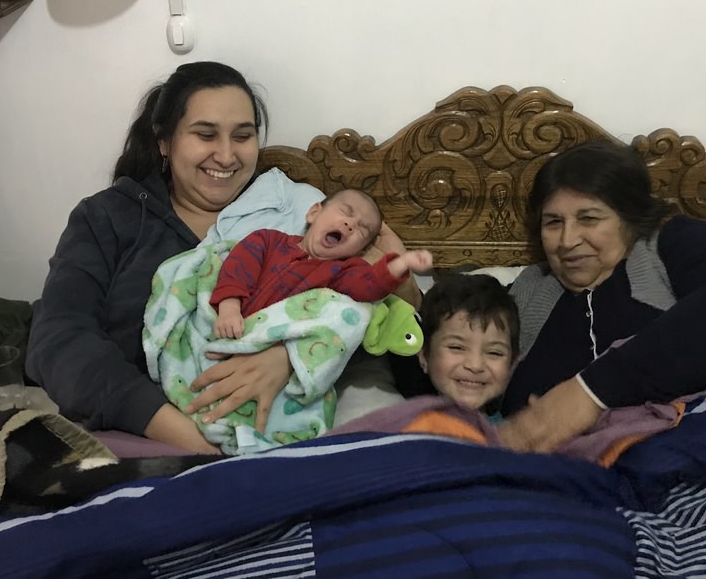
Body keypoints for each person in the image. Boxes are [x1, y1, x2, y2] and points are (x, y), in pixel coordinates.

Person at [26, 61, 419, 455]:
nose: (227, 155)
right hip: (143, 439)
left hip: (280, 433)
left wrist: (290, 356)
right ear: (164, 141)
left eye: (243, 136)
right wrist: (186, 437)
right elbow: (58, 340)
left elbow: (367, 316)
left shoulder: (301, 210)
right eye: (205, 135)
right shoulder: (108, 218)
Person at [496, 141, 706, 453]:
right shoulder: (528, 291)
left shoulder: (672, 245)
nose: (567, 240)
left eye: (589, 218)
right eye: (553, 222)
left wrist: (590, 393)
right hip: (580, 475)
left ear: (628, 219)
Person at [212, 189, 433, 339]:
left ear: (360, 251)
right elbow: (238, 267)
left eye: (362, 229)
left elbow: (370, 284)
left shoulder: (342, 272)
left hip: (274, 345)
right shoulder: (268, 240)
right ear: (314, 213)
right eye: (346, 212)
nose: (350, 224)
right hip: (229, 322)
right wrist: (229, 307)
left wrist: (401, 262)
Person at [415, 273, 519, 420]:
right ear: (424, 355)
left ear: (512, 364)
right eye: (456, 347)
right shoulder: (399, 426)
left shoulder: (512, 433)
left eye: (494, 352)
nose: (475, 365)